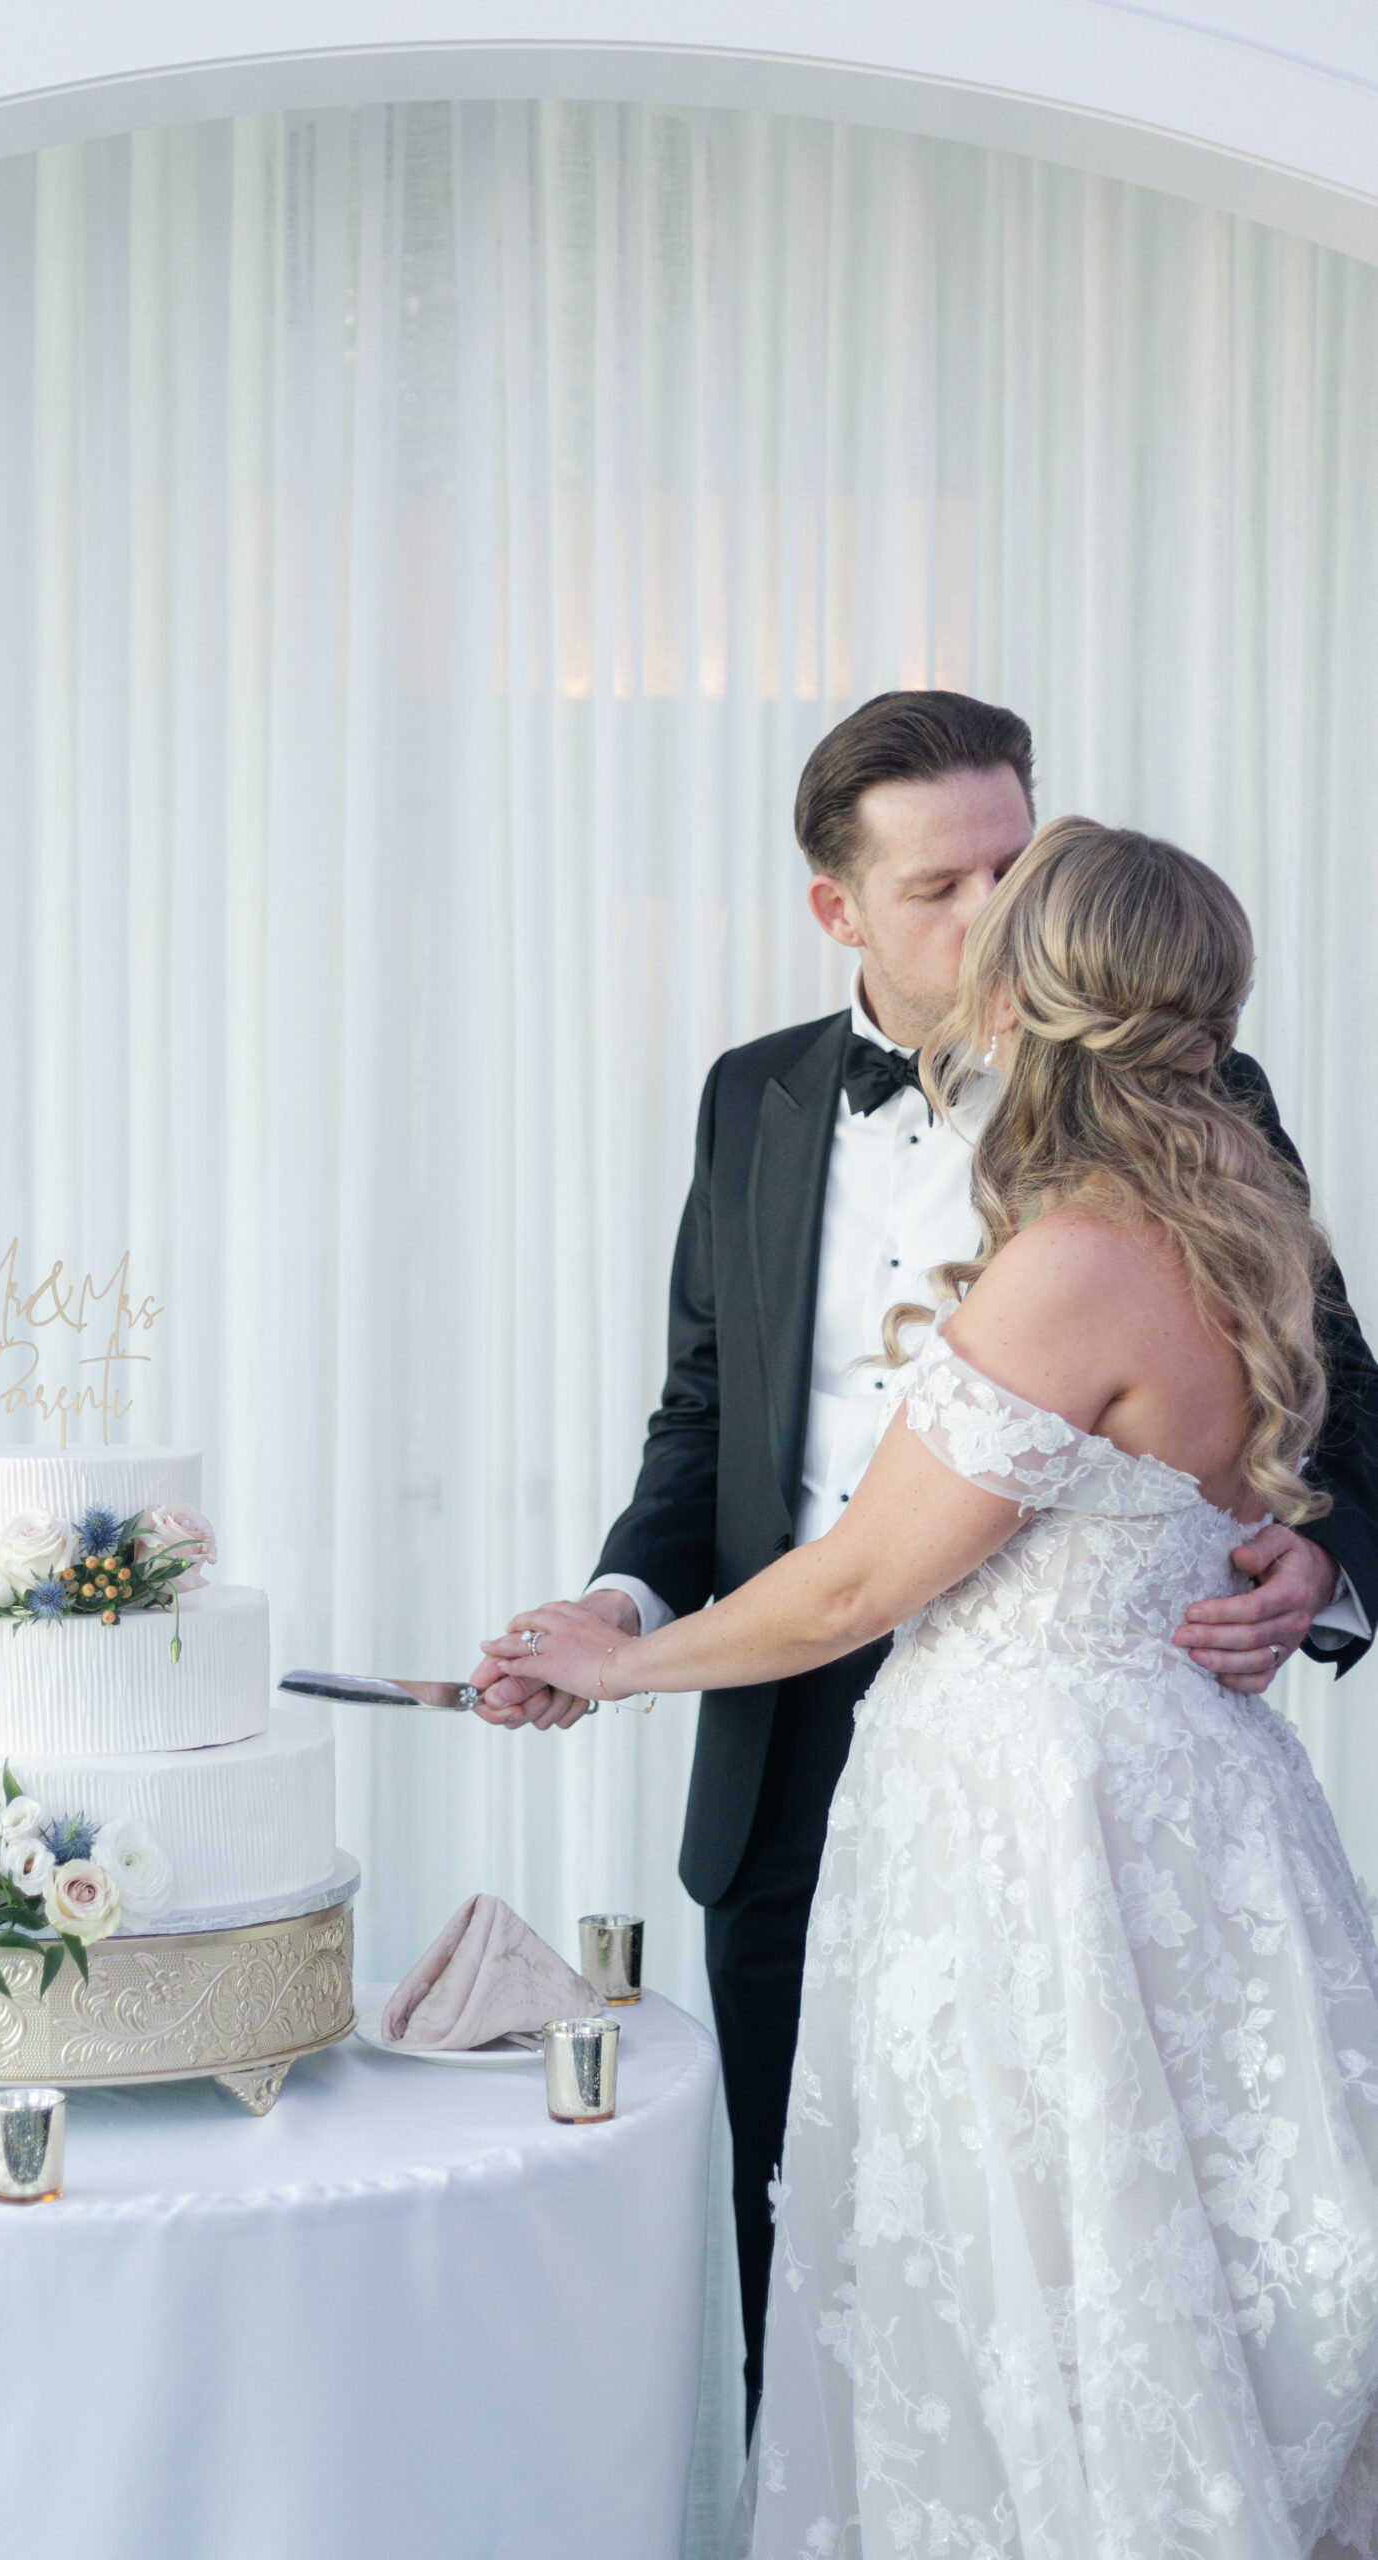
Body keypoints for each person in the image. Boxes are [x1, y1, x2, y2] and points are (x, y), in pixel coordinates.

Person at [470, 693, 1378, 2440]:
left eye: (1012, 869)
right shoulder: (755, 1100)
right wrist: (622, 1606)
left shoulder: (1189, 1114)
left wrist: (1320, 1561)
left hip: (1083, 1790)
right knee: (833, 2262)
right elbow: (706, 1414)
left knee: (1116, 2258)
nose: (987, 918)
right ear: (839, 910)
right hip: (801, 1756)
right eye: (939, 885)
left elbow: (1347, 1408)